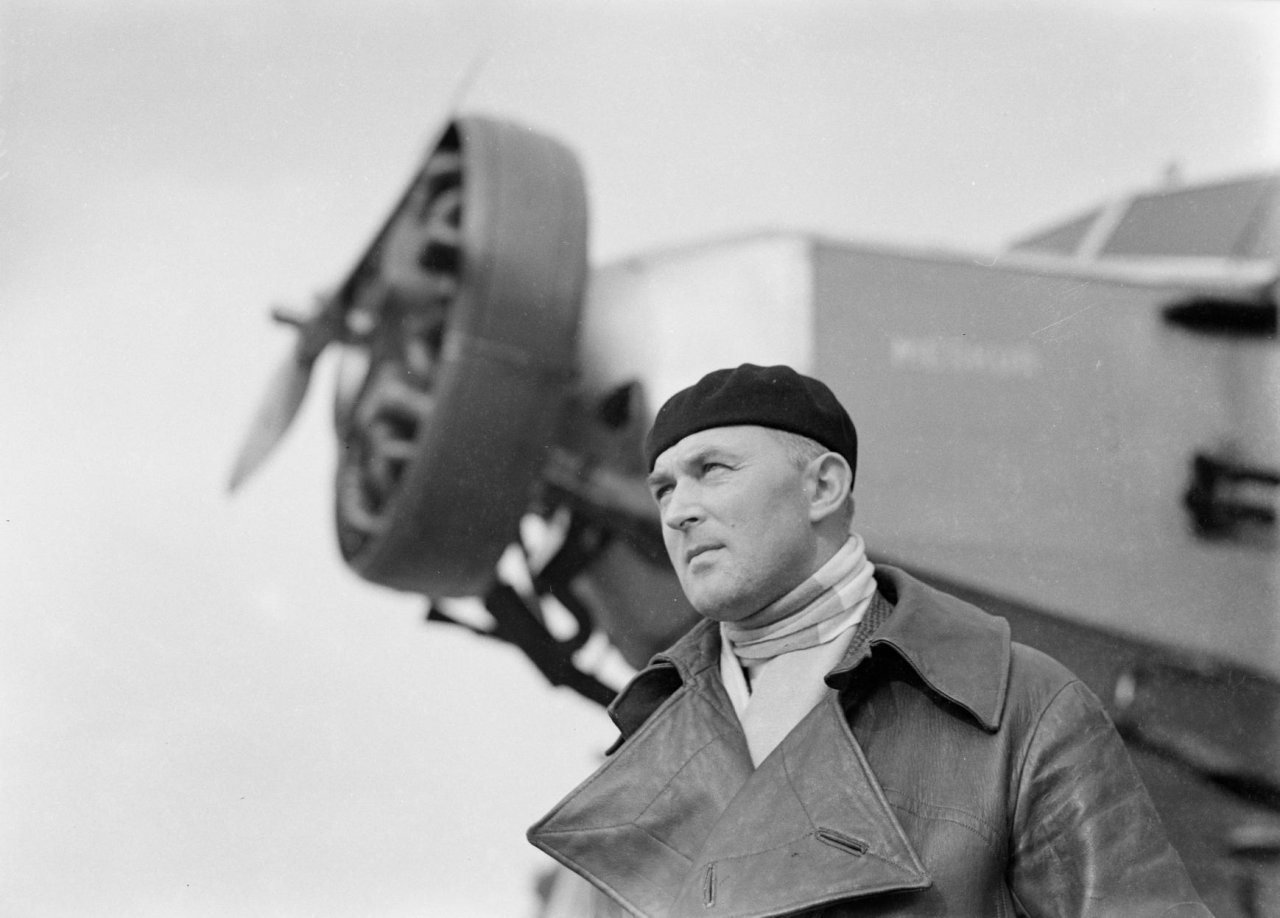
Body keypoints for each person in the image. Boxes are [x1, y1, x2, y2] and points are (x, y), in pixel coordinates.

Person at [528, 363, 1212, 918]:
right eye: (663, 488)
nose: (679, 510)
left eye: (714, 470)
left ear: (824, 486)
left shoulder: (1020, 709)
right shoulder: (642, 761)